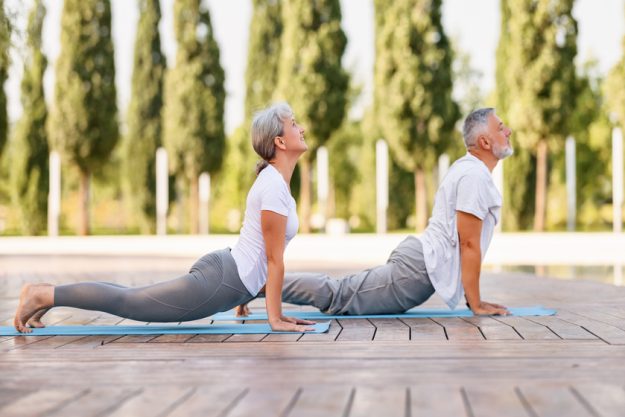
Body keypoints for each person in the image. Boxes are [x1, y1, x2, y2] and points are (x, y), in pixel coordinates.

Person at [13, 102, 316, 333]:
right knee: (131, 302)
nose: (301, 128)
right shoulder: (274, 185)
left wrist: (246, 298)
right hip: (221, 280)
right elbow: (274, 259)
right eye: (294, 124)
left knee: (131, 296)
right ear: (279, 141)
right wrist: (275, 318)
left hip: (227, 275)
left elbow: (259, 251)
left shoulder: (276, 183)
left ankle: (46, 295)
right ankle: (42, 295)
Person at [237, 107, 513, 318]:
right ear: (485, 143)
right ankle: (259, 286)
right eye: (501, 128)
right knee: (338, 294)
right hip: (415, 272)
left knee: (340, 291)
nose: (508, 131)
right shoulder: (474, 177)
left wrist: (471, 299)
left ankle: (262, 286)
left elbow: (465, 243)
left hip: (417, 266)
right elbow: (468, 243)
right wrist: (475, 304)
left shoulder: (471, 172)